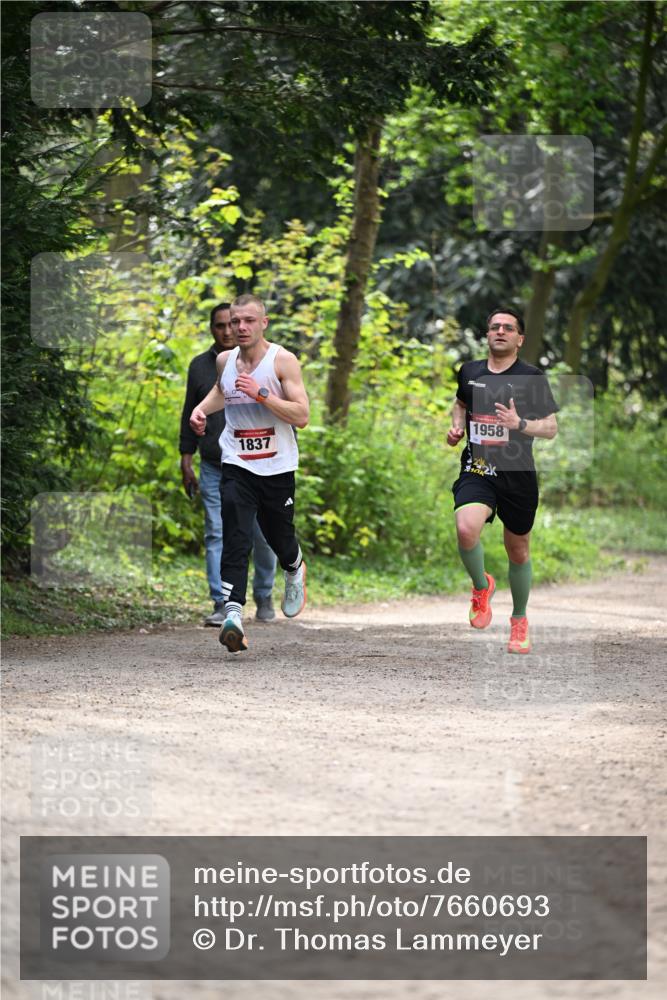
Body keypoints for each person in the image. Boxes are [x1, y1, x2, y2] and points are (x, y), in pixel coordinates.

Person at [189, 293, 309, 653]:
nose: (240, 327)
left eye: (248, 321)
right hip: (236, 463)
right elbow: (220, 392)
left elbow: (301, 415)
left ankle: (295, 566)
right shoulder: (225, 360)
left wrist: (261, 395)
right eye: (235, 321)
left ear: (264, 323)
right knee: (235, 536)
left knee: (278, 537)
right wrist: (201, 410)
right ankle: (233, 616)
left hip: (277, 467)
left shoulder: (283, 361)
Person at [447, 308, 559, 654]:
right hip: (478, 467)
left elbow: (551, 428)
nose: (500, 331)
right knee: (466, 528)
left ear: (519, 339)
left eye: (508, 328)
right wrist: (455, 427)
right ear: (487, 335)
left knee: (518, 549)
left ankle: (519, 620)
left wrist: (520, 424)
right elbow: (460, 404)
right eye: (494, 327)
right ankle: (482, 588)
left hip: (518, 475)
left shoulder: (532, 377)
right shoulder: (470, 371)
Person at [179, 302, 277, 626]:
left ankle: (264, 594)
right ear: (212, 328)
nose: (227, 331)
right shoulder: (201, 365)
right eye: (221, 325)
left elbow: (286, 412)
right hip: (214, 463)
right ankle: (221, 602)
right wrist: (186, 456)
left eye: (232, 324)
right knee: (217, 532)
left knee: (263, 534)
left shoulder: (265, 362)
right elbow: (190, 410)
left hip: (258, 464)